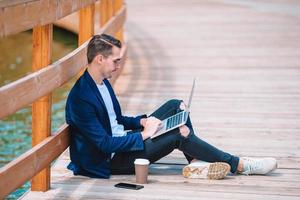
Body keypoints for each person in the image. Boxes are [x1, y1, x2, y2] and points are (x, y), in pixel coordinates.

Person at [65, 34, 277, 180]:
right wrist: (143, 136)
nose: (119, 66)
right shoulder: (81, 98)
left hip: (123, 140)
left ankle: (195, 163)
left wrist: (141, 121)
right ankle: (239, 165)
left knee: (176, 106)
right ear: (100, 59)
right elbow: (104, 144)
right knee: (178, 135)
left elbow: (115, 119)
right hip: (110, 160)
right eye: (116, 61)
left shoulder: (101, 82)